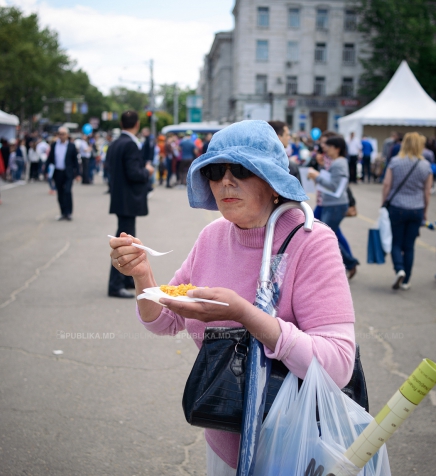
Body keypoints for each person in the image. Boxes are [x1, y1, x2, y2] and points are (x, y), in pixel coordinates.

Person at [108, 120, 354, 474]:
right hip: (223, 439)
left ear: (273, 182)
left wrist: (245, 314)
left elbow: (338, 365)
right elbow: (164, 321)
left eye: (240, 169)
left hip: (295, 445)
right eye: (215, 170)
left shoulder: (313, 241)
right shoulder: (213, 235)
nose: (226, 181)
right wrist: (142, 275)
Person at [106, 110, 154, 298]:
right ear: (137, 124)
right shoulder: (131, 145)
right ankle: (115, 284)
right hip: (128, 199)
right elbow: (134, 173)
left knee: (127, 239)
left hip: (119, 197)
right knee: (124, 242)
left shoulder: (115, 143)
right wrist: (147, 171)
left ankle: (126, 279)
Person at [381, 132, 433, 290]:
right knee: (409, 246)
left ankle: (399, 269)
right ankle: (406, 280)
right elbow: (427, 191)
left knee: (396, 242)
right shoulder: (425, 165)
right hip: (416, 208)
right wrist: (425, 211)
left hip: (397, 207)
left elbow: (386, 185)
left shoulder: (395, 162)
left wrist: (383, 203)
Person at [307, 136, 359, 279]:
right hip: (332, 204)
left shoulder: (339, 164)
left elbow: (334, 186)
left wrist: (316, 176)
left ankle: (350, 262)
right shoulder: (338, 162)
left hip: (335, 205)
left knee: (326, 238)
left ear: (337, 148)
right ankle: (348, 263)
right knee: (329, 236)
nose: (326, 149)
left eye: (329, 147)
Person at [46, 127, 80, 221]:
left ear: (67, 135)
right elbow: (50, 158)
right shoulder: (54, 145)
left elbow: (75, 161)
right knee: (60, 193)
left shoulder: (71, 146)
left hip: (68, 173)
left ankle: (68, 213)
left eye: (63, 134)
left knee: (67, 191)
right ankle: (63, 212)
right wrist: (46, 170)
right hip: (58, 172)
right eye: (60, 134)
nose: (61, 136)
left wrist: (78, 174)